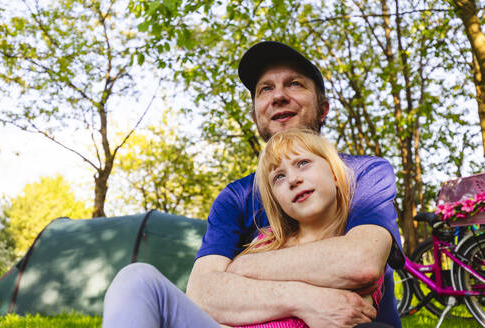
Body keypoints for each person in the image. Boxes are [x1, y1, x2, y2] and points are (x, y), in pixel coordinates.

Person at [102, 41, 404, 328]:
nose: (278, 96)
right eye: (265, 89)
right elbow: (203, 292)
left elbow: (360, 262)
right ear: (256, 114)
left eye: (294, 84)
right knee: (136, 280)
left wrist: (241, 271)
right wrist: (305, 299)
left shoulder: (364, 171)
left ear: (323, 108)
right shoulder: (236, 197)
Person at [234, 128, 384, 328]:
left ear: (335, 175)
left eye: (303, 163)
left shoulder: (355, 243)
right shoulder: (266, 242)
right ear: (277, 201)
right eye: (279, 177)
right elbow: (229, 291)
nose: (293, 180)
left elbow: (352, 313)